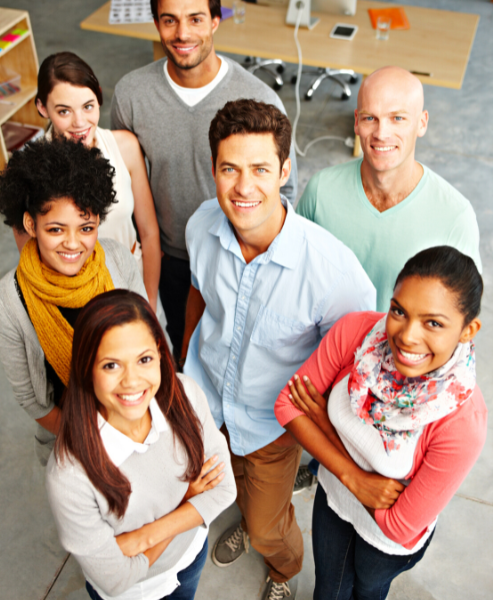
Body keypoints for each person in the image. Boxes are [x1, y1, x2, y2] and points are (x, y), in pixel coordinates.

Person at [182, 99, 376, 600]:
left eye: (260, 169)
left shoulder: (333, 272)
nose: (244, 187)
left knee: (270, 529)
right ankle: (252, 510)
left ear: (286, 170)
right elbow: (199, 293)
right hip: (207, 405)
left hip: (272, 424)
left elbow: (351, 367)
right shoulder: (202, 225)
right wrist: (185, 370)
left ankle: (283, 568)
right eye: (230, 169)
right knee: (219, 486)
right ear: (214, 170)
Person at [275, 246, 487, 600]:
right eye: (399, 311)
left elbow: (400, 526)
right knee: (328, 589)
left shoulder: (462, 422)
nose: (407, 336)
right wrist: (353, 478)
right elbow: (288, 405)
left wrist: (325, 428)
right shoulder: (358, 333)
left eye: (433, 323)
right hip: (334, 497)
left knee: (367, 591)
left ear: (468, 330)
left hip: (383, 545)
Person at [110, 0, 299, 362]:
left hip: (239, 260)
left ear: (215, 21)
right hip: (167, 260)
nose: (182, 34)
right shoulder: (132, 94)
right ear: (156, 23)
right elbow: (122, 180)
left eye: (195, 19)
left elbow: (284, 190)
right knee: (174, 359)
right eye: (170, 20)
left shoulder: (259, 98)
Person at [46, 290, 236, 600]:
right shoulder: (69, 476)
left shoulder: (184, 394)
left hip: (189, 558)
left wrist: (138, 540)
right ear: (86, 368)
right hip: (135, 592)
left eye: (144, 359)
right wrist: (187, 503)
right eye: (111, 366)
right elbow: (117, 580)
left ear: (160, 354)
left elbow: (225, 490)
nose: (132, 381)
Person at [0, 137, 148, 464]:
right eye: (56, 230)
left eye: (86, 227)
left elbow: (148, 344)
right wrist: (101, 444)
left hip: (142, 426)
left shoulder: (118, 261)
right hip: (73, 444)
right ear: (30, 225)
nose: (73, 244)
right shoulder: (8, 304)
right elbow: (34, 403)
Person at [296, 66, 481, 313]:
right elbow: (293, 279)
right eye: (370, 118)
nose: (381, 134)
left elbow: (463, 316)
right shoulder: (321, 191)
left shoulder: (455, 216)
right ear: (356, 123)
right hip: (328, 347)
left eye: (397, 118)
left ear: (422, 123)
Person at [33, 51, 164, 323]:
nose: (80, 123)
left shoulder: (125, 147)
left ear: (100, 97)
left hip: (132, 284)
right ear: (42, 108)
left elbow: (149, 234)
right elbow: (32, 264)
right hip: (73, 300)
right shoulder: (28, 171)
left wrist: (149, 302)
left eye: (88, 106)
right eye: (64, 111)